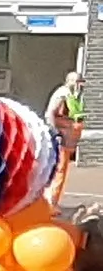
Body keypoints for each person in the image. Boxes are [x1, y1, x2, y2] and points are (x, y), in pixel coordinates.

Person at [49, 71, 86, 207]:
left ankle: (53, 203)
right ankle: (50, 204)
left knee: (62, 171)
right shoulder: (62, 95)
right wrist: (56, 133)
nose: (79, 85)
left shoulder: (71, 95)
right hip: (62, 138)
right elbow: (51, 114)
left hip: (68, 138)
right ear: (69, 81)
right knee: (59, 170)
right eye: (77, 82)